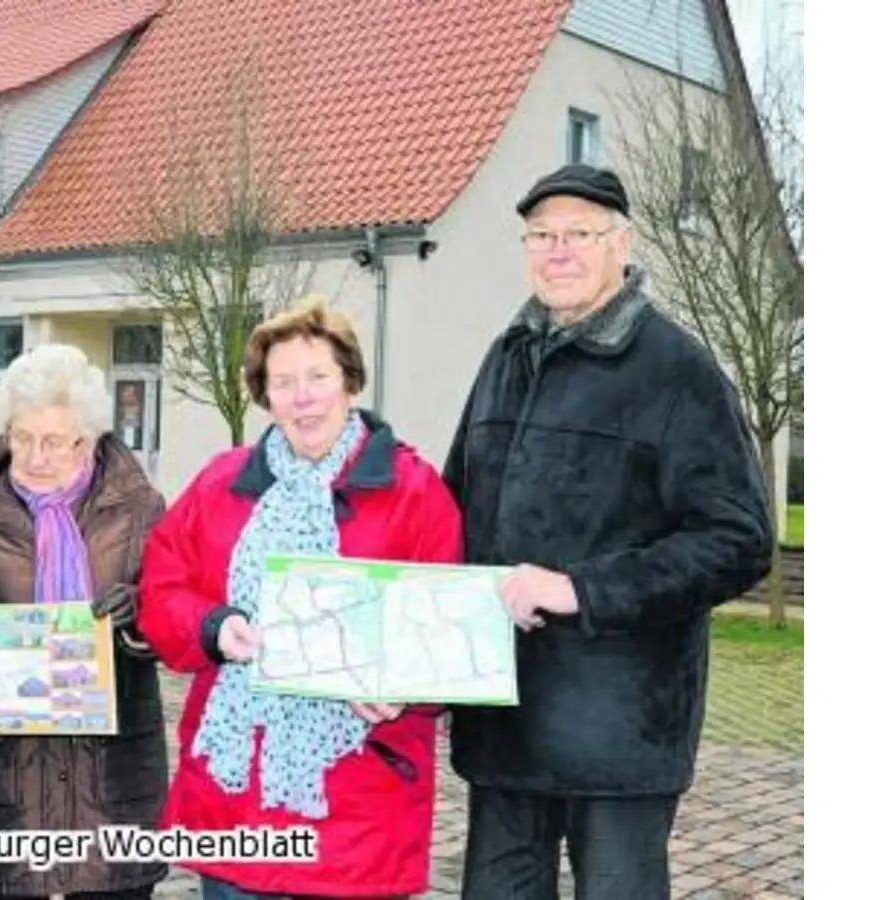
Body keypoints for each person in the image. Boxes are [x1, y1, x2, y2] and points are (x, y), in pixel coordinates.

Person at [440, 163, 775, 899]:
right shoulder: (507, 357)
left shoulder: (676, 370)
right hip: (505, 728)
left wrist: (580, 590)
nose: (557, 250)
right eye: (541, 235)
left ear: (621, 243)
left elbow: (738, 537)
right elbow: (451, 513)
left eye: (578, 234)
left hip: (620, 735)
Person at [138, 295, 464, 899]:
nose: (302, 396)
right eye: (283, 381)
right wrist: (213, 626)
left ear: (349, 381)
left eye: (317, 376)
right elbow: (161, 589)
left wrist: (403, 687)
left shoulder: (413, 492)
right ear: (266, 395)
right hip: (236, 799)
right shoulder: (220, 483)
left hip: (358, 796)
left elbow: (447, 629)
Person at [0, 342, 170, 899]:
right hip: (4, 779)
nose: (34, 456)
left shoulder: (141, 510)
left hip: (112, 776)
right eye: (21, 437)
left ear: (87, 442)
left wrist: (141, 615)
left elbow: (175, 618)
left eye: (53, 442)